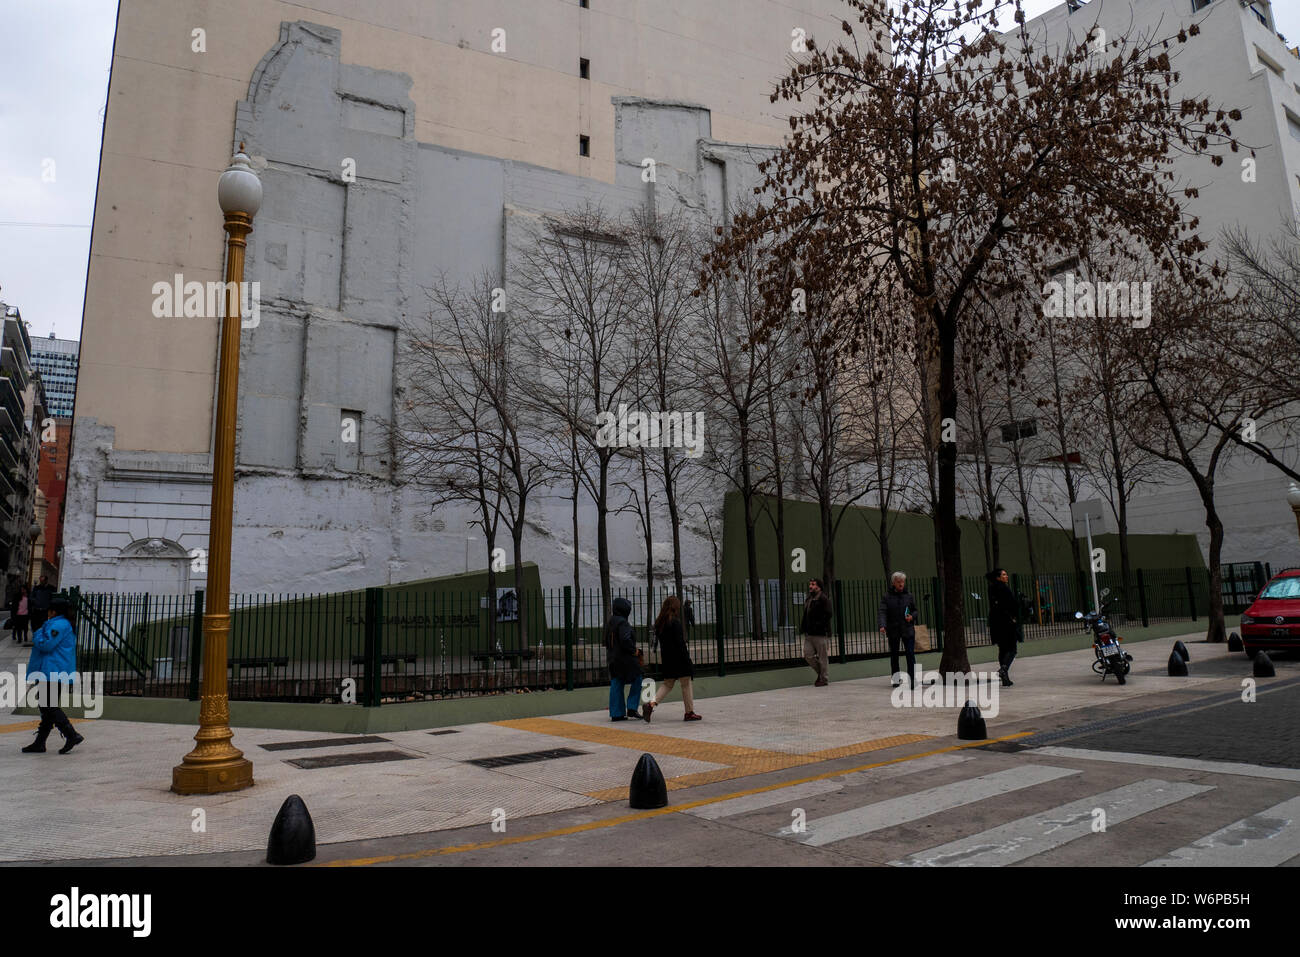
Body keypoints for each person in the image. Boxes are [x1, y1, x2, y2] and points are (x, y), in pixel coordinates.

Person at [22, 595, 85, 754]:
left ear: (53, 611)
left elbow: (46, 644)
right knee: (46, 705)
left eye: (49, 610)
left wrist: (36, 634)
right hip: (52, 669)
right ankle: (40, 742)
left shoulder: (59, 625)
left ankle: (72, 734)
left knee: (48, 705)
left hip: (53, 670)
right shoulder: (60, 624)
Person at [644, 596, 701, 722]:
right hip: (679, 659)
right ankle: (689, 712)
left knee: (667, 684)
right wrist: (687, 660)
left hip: (667, 659)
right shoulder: (675, 622)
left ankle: (650, 704)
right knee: (686, 684)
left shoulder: (660, 623)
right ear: (676, 607)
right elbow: (680, 644)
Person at [604, 596, 643, 721]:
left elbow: (605, 641)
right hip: (625, 659)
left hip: (613, 659)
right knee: (638, 677)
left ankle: (616, 713)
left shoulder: (610, 622)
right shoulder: (623, 623)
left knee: (616, 683)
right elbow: (626, 640)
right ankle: (631, 708)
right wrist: (635, 651)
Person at [878, 571, 919, 687]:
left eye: (903, 582)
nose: (901, 584)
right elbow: (882, 611)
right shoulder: (887, 597)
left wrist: (912, 616)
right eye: (898, 582)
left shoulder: (909, 596)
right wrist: (882, 625)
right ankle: (896, 679)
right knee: (894, 655)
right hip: (893, 629)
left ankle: (912, 680)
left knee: (910, 654)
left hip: (907, 629)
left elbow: (915, 610)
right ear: (893, 583)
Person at [987, 568, 1020, 687]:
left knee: (1002, 649)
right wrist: (1014, 616)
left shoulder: (991, 588)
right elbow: (1012, 604)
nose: (1007, 576)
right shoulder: (1004, 588)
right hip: (1006, 621)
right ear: (998, 577)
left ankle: (1005, 678)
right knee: (1012, 648)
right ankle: (1004, 669)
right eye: (1004, 574)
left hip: (995, 622)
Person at [799, 578, 833, 687]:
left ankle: (824, 679)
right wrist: (804, 627)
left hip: (820, 633)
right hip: (809, 633)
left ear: (819, 587)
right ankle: (821, 673)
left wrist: (819, 625)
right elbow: (806, 614)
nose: (810, 586)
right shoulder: (809, 599)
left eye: (813, 584)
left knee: (823, 658)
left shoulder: (823, 599)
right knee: (807, 655)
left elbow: (828, 614)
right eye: (810, 584)